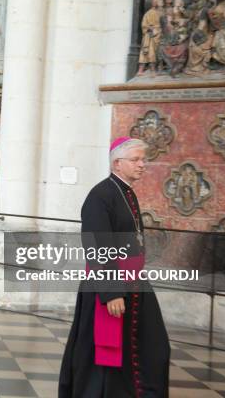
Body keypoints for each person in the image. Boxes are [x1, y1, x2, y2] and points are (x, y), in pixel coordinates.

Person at [58, 137, 170, 397]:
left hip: (133, 281)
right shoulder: (101, 195)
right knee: (102, 354)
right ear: (117, 163)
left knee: (154, 347)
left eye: (143, 159)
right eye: (136, 160)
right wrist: (111, 292)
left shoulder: (126, 192)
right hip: (109, 285)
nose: (142, 164)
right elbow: (96, 245)